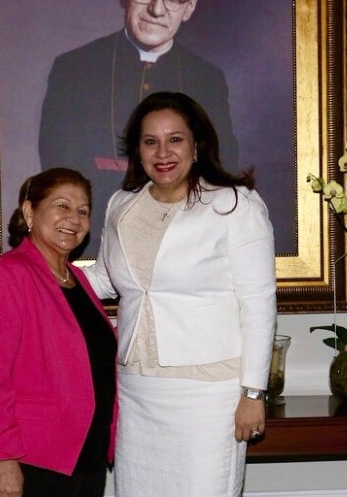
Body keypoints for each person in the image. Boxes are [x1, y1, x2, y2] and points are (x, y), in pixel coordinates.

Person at [82, 92, 276, 496]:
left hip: (208, 397)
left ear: (196, 144)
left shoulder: (234, 204)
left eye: (175, 139)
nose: (162, 152)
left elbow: (258, 306)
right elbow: (103, 279)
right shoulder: (122, 205)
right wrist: (34, 272)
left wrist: (254, 393)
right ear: (137, 150)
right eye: (150, 141)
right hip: (137, 393)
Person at [0, 168, 118, 497]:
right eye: (62, 206)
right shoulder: (4, 276)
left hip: (84, 461)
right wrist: (4, 461)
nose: (74, 218)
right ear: (30, 212)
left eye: (83, 211)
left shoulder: (78, 281)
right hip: (27, 462)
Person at [39, 0, 238, 258]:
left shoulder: (207, 78)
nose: (157, 9)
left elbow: (221, 164)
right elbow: (57, 167)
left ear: (189, 7)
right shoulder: (74, 67)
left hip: (181, 241)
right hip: (96, 238)